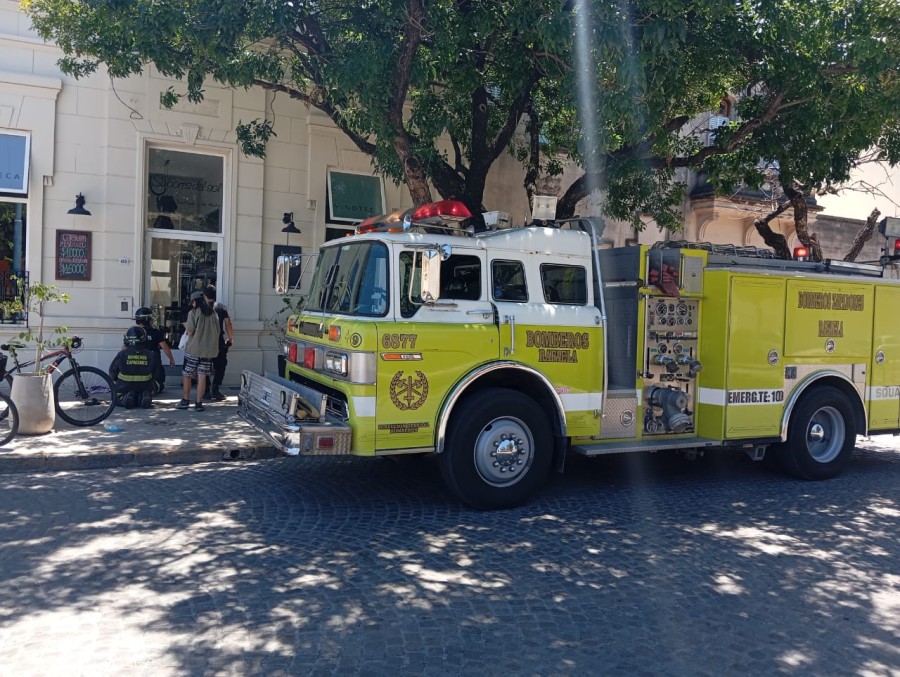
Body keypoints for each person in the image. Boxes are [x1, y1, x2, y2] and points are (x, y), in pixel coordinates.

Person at [177, 290, 220, 411]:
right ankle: (198, 403)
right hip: (208, 351)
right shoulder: (213, 314)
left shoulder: (193, 313)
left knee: (187, 374)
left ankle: (185, 401)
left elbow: (190, 332)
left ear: (194, 301)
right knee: (202, 376)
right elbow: (218, 331)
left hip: (194, 349)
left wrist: (185, 325)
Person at [109, 326, 159, 409]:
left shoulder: (122, 354)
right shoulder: (151, 354)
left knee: (115, 399)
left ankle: (125, 398)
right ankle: (143, 396)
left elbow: (112, 372)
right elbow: (155, 373)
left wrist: (117, 381)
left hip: (124, 386)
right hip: (145, 385)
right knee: (147, 389)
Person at [132, 306, 176, 392]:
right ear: (149, 320)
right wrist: (171, 359)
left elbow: (124, 348)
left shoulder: (133, 332)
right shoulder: (155, 332)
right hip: (153, 366)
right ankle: (153, 388)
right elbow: (164, 346)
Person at [204, 285, 233, 401]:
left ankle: (205, 390)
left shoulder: (201, 308)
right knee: (220, 366)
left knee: (204, 366)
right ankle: (215, 389)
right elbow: (228, 324)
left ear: (205, 296)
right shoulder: (221, 308)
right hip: (218, 341)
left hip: (204, 341)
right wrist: (230, 339)